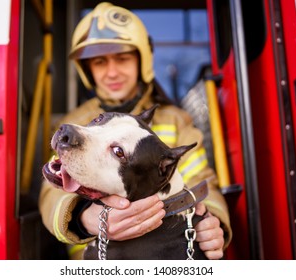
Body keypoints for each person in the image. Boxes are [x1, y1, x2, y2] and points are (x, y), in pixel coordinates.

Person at [39, 2, 232, 260]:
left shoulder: (175, 120)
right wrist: (83, 219)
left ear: (142, 60)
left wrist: (213, 222)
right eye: (99, 62)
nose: (112, 72)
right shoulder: (75, 123)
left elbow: (203, 183)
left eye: (122, 58)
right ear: (87, 71)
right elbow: (51, 192)